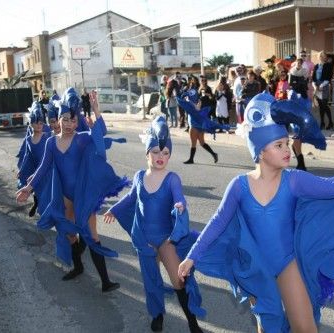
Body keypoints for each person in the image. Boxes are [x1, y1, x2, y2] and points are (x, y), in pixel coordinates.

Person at [178, 93, 334, 333]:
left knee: (305, 328)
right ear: (261, 151)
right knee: (269, 327)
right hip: (255, 268)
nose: (287, 150)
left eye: (287, 143)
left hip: (287, 263)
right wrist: (193, 256)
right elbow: (218, 222)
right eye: (279, 145)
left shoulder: (294, 180)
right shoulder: (239, 186)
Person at [16, 88, 129, 292]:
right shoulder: (51, 142)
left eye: (74, 120)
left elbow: (100, 133)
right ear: (59, 119)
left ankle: (105, 281)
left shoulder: (82, 138)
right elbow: (42, 168)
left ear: (78, 121)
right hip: (66, 197)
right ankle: (78, 267)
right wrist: (28, 186)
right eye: (65, 120)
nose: (69, 124)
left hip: (84, 195)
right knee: (69, 234)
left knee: (93, 236)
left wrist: (96, 110)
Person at [104, 117, 205, 332]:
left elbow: (179, 198)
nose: (161, 157)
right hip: (144, 238)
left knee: (179, 280)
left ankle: (192, 322)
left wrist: (180, 206)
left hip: (167, 239)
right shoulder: (140, 176)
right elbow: (131, 198)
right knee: (151, 281)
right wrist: (114, 209)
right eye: (156, 152)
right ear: (147, 152)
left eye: (166, 153)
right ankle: (157, 315)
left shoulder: (172, 178)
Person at [17, 102, 53, 217]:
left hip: (47, 170)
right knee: (37, 190)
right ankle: (38, 205)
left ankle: (50, 212)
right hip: (35, 170)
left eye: (41, 123)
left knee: (48, 192)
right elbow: (27, 156)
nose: (38, 125)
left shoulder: (47, 136)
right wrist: (22, 170)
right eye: (35, 123)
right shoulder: (28, 139)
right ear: (30, 123)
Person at [177, 88, 228, 164]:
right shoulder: (190, 101)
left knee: (194, 143)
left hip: (195, 124)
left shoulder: (198, 101)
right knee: (201, 143)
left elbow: (197, 109)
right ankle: (213, 154)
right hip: (199, 124)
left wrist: (189, 101)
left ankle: (191, 159)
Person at [312, 51, 334, 130]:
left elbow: (328, 78)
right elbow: (313, 78)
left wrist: (321, 85)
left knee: (324, 105)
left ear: (325, 57)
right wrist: (314, 86)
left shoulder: (328, 65)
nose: (321, 57)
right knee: (321, 106)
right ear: (318, 57)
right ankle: (322, 123)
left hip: (324, 86)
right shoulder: (316, 66)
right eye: (320, 56)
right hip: (317, 86)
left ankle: (330, 122)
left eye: (323, 56)